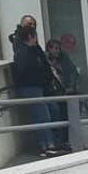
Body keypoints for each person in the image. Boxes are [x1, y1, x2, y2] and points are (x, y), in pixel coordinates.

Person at [9, 14, 65, 156]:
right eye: (28, 24)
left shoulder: (33, 48)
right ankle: (46, 145)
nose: (31, 27)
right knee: (41, 115)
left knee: (51, 111)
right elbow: (24, 68)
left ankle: (53, 143)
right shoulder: (22, 48)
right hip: (32, 86)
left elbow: (43, 63)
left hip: (42, 85)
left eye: (33, 24)